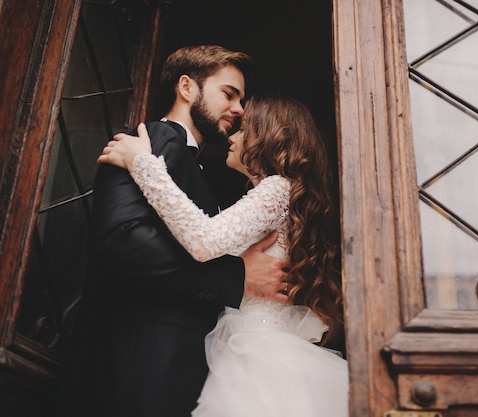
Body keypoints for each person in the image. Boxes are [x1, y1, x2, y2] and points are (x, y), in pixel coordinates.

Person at [57, 46, 290, 417]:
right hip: (141, 363)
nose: (240, 109)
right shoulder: (154, 142)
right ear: (187, 87)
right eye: (229, 94)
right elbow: (122, 243)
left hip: (173, 364)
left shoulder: (194, 167)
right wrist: (237, 277)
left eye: (241, 99)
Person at [98, 94, 349, 416]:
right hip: (250, 341)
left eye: (244, 130)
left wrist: (142, 164)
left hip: (254, 349)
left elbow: (203, 240)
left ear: (268, 135)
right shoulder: (278, 192)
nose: (232, 137)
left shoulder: (276, 189)